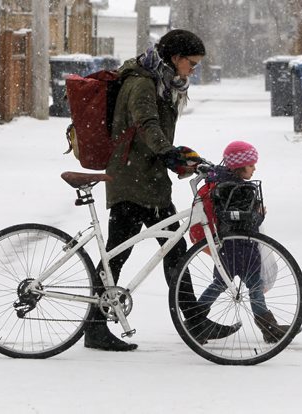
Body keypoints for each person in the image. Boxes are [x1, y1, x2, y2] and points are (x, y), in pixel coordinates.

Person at [84, 29, 239, 351]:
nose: (193, 70)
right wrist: (168, 152)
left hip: (147, 177)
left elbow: (153, 129)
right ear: (175, 58)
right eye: (192, 63)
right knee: (123, 252)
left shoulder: (160, 81)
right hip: (132, 178)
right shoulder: (142, 82)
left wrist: (177, 154)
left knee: (169, 250)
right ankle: (96, 326)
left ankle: (191, 319)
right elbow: (146, 124)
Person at [190, 141, 291, 344]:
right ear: (239, 166)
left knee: (219, 284)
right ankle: (268, 328)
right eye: (251, 165)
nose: (254, 168)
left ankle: (194, 321)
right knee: (254, 288)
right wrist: (260, 214)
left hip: (226, 248)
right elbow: (247, 221)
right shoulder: (241, 190)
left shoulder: (221, 185)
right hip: (245, 248)